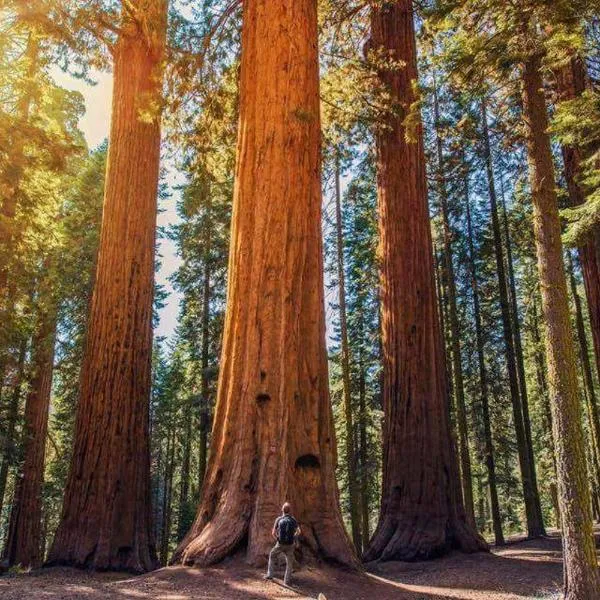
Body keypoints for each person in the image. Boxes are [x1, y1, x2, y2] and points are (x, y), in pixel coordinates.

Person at [264, 502, 301, 586]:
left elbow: (273, 532)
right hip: (290, 545)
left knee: (272, 555)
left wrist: (278, 539)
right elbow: (299, 531)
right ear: (290, 511)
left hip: (280, 544)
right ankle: (286, 581)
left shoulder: (279, 519)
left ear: (282, 510)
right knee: (289, 562)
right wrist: (293, 536)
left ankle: (270, 575)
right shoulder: (293, 519)